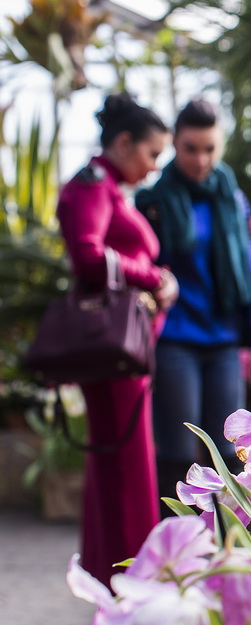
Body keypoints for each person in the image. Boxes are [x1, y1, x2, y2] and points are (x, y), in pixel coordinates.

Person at [57, 93, 177, 588]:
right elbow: (87, 256)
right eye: (151, 154)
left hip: (127, 355)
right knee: (126, 470)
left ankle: (113, 579)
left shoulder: (110, 188)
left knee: (117, 467)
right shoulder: (90, 186)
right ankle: (132, 584)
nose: (153, 168)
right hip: (113, 356)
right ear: (124, 143)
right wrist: (153, 277)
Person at [136, 99, 251, 508]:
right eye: (191, 148)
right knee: (178, 453)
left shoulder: (230, 198)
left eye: (209, 148)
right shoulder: (154, 201)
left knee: (232, 452)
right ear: (174, 144)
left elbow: (250, 270)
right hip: (176, 337)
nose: (200, 158)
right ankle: (174, 555)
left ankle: (229, 554)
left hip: (224, 340)